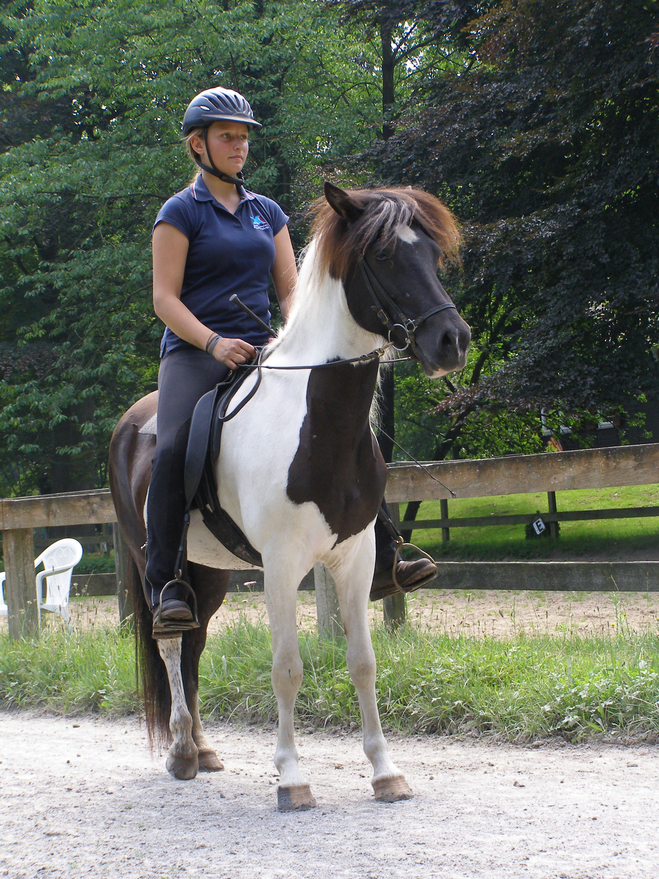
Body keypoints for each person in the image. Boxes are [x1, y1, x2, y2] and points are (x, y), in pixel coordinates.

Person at [146, 86, 436, 636]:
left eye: (244, 136)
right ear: (197, 145)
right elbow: (164, 299)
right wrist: (212, 343)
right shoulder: (179, 212)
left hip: (263, 350)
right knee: (174, 446)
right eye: (227, 136)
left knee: (349, 432)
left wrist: (296, 342)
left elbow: (290, 292)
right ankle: (166, 581)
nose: (239, 145)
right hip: (195, 353)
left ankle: (384, 551)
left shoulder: (266, 213)